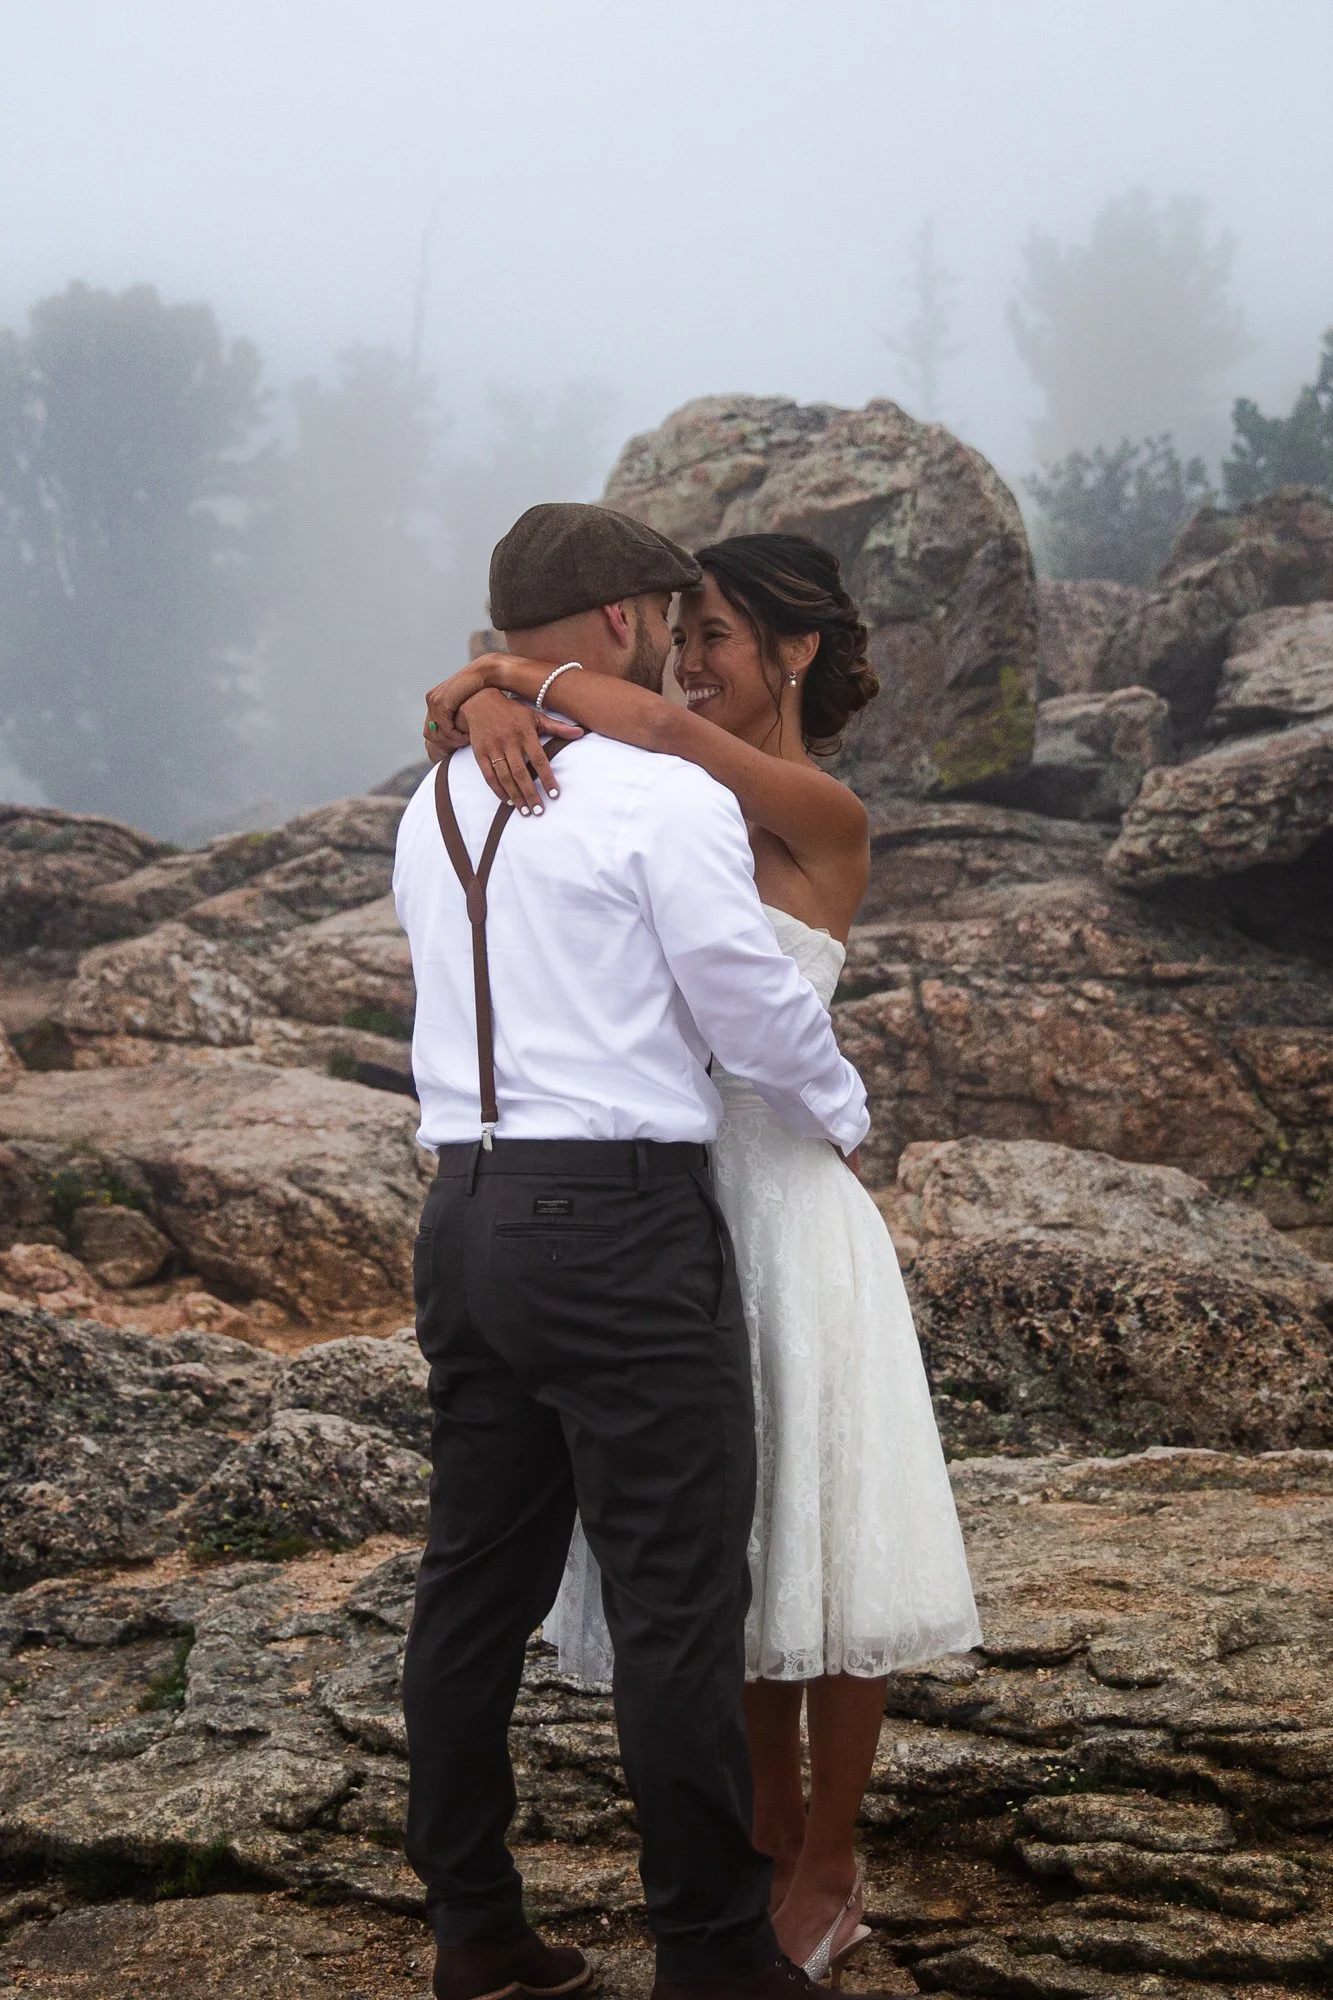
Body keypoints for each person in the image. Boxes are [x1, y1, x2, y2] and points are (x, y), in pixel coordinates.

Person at [426, 531, 981, 1986]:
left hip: (787, 1197)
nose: (688, 661)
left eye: (718, 634)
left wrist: (495, 676)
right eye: (681, 634)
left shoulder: (812, 811)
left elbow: (664, 736)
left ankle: (828, 1863)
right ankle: (757, 1842)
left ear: (796, 654)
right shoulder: (638, 783)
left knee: (829, 1538)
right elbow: (629, 753)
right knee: (719, 1561)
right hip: (663, 1205)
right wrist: (491, 695)